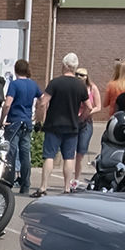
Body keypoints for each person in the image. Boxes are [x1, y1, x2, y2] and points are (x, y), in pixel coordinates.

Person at [34, 53, 87, 196]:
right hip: (72, 125)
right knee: (69, 157)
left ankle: (43, 187)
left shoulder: (55, 82)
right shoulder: (80, 85)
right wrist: (82, 118)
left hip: (54, 124)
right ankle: (66, 188)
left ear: (64, 65)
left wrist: (39, 119)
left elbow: (43, 102)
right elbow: (88, 105)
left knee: (49, 156)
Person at [1, 59, 41, 195]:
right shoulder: (33, 85)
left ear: (16, 70)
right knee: (25, 154)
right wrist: (39, 116)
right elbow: (43, 101)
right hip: (27, 121)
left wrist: (2, 119)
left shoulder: (14, 85)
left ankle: (8, 182)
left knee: (11, 153)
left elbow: (7, 104)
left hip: (14, 122)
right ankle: (26, 184)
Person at [75, 68, 100, 179]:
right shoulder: (73, 87)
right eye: (77, 74)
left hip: (86, 122)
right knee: (71, 152)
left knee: (81, 153)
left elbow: (98, 107)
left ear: (86, 77)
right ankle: (71, 179)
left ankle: (76, 178)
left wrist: (88, 112)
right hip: (74, 121)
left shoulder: (92, 88)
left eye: (81, 75)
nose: (79, 76)